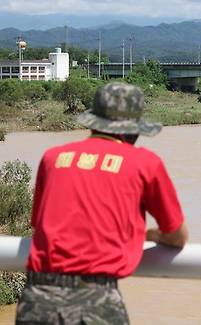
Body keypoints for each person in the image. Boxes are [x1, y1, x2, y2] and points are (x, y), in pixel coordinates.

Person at [16, 82, 189, 324]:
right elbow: (177, 235)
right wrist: (150, 235)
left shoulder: (52, 158)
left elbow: (40, 226)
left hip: (37, 297)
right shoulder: (145, 163)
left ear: (93, 121)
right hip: (96, 298)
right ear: (134, 130)